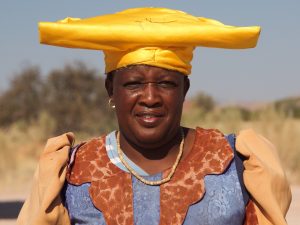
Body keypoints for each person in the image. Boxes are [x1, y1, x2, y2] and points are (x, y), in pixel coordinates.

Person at [17, 7, 291, 225]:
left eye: (166, 84)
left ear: (184, 89)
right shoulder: (72, 171)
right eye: (134, 84)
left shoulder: (237, 164)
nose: (150, 97)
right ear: (111, 89)